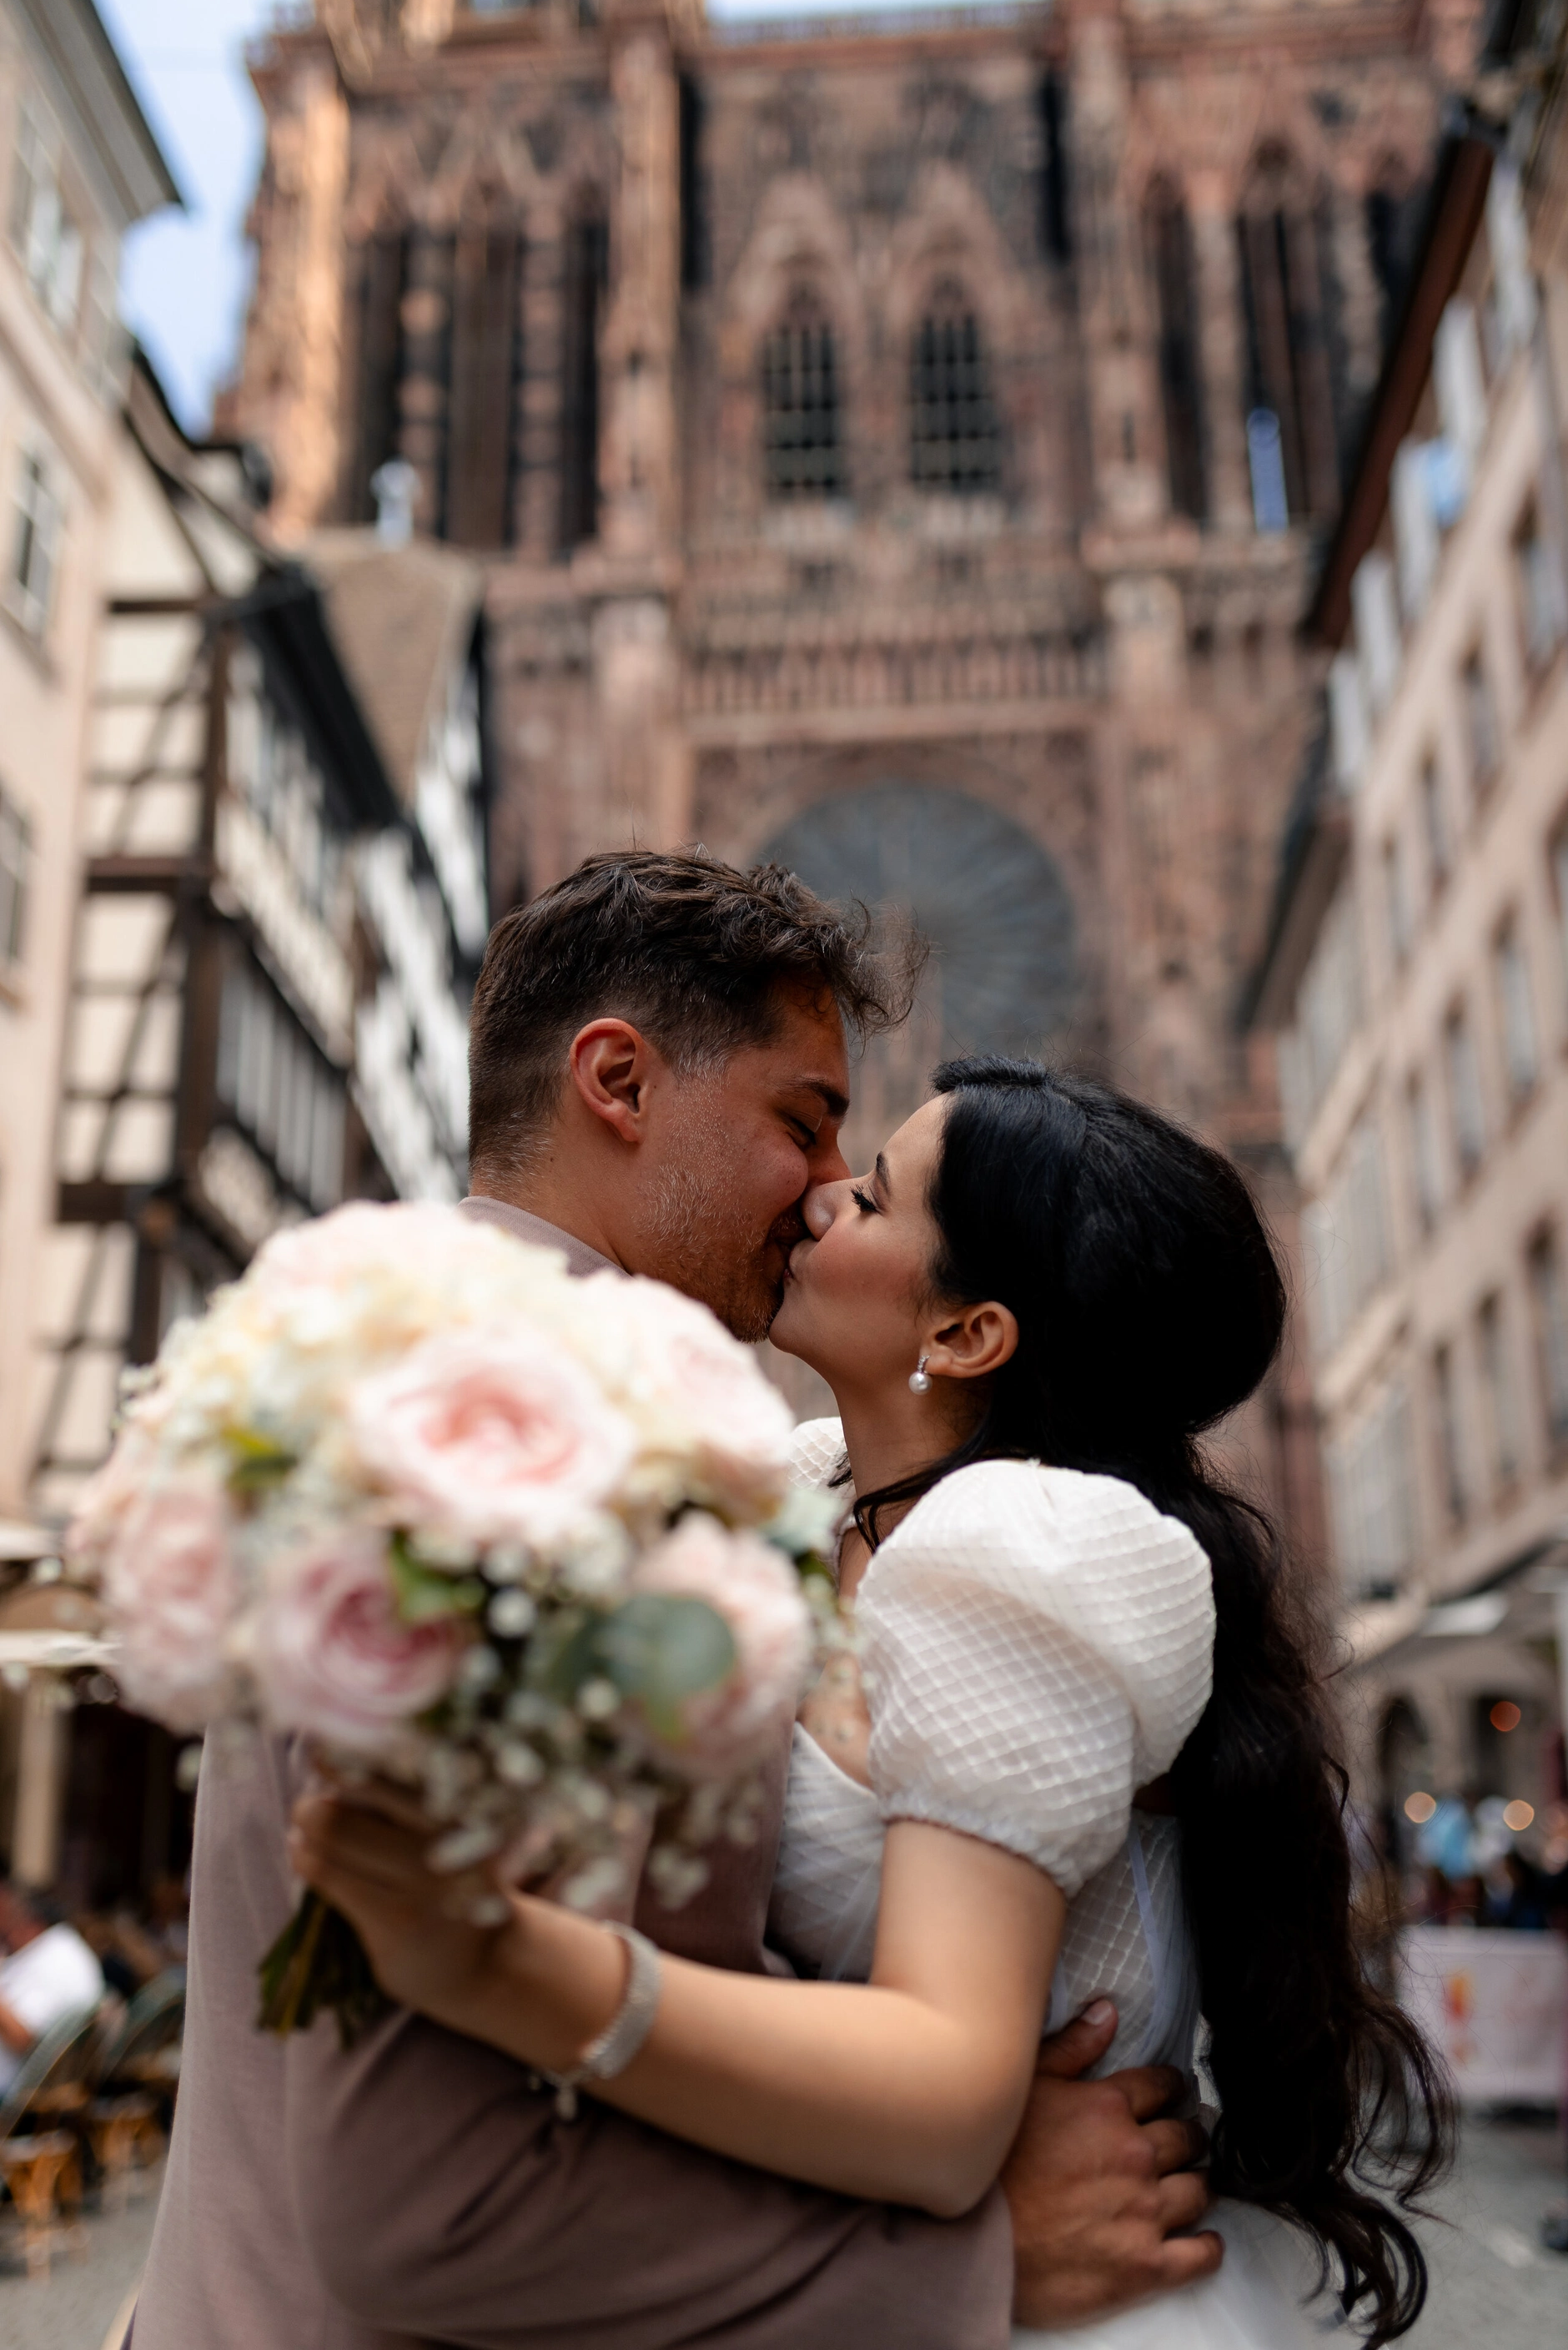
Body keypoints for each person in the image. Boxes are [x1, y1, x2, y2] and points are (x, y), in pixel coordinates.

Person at [130, 853, 1217, 2350]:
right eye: (802, 1118)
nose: (829, 1187)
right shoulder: (546, 1459)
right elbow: (441, 2203)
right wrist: (974, 2255)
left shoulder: (413, 1388)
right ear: (620, 1083)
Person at [294, 1059, 1454, 2347]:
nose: (821, 1195)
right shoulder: (804, 1498)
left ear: (968, 1332)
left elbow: (943, 2090)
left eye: (878, 1196)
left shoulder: (1025, 1544)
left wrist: (503, 1962)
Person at [0, 1877, 104, 2092]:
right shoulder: (64, 1947)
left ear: (30, 1923)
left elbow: (23, 2037)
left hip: (18, 2092)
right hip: (44, 2085)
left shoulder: (54, 1959)